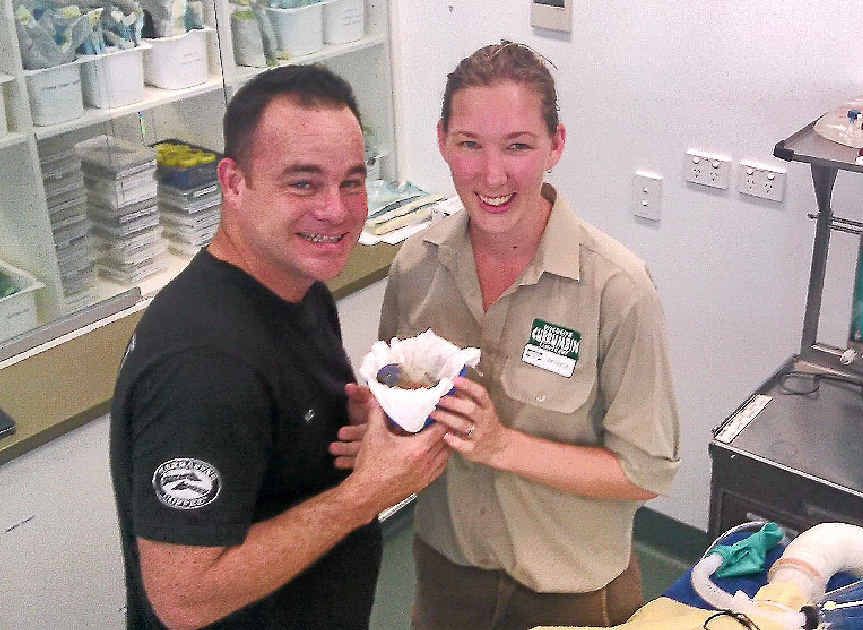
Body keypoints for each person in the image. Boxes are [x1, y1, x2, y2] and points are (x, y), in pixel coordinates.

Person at [109, 65, 450, 630]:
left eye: (352, 181)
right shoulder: (202, 368)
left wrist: (359, 431)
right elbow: (182, 598)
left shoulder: (297, 286)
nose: (336, 211)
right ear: (234, 182)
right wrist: (366, 495)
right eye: (303, 182)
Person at [375, 42, 681, 629]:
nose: (493, 176)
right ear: (442, 140)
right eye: (470, 145)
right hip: (447, 577)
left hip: (569, 596)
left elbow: (645, 474)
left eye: (518, 146)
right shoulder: (416, 267)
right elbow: (399, 400)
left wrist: (501, 447)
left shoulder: (616, 290)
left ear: (556, 145)